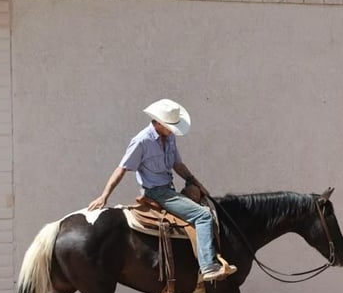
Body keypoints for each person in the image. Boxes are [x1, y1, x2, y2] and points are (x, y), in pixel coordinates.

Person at [88, 98, 237, 282]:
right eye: (169, 126)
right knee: (203, 216)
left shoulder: (170, 137)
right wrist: (104, 196)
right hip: (157, 192)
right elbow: (122, 168)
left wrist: (194, 182)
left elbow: (177, 164)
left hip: (170, 189)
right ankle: (207, 267)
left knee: (202, 201)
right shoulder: (141, 141)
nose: (173, 130)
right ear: (157, 123)